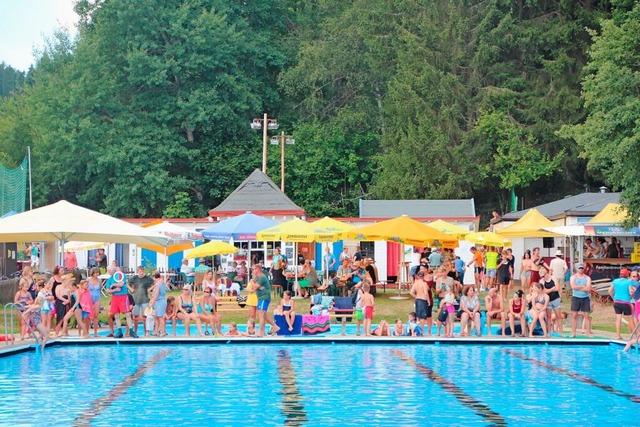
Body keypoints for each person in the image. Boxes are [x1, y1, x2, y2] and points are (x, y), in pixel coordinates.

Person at [105, 265, 137, 339]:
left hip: (123, 296)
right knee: (116, 315)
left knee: (127, 314)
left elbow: (121, 284)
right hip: (115, 297)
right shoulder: (109, 279)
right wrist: (114, 290)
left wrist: (113, 285)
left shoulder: (121, 275)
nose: (108, 272)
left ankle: (131, 331)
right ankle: (119, 332)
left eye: (109, 271)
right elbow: (107, 291)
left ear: (113, 271)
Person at [608, 268, 636, 340]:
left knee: (618, 318)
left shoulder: (615, 281)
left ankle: (618, 336)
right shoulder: (628, 282)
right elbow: (630, 291)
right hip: (626, 302)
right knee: (630, 319)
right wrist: (632, 296)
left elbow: (609, 291)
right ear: (627, 275)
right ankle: (635, 336)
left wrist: (613, 297)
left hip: (617, 302)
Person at [128, 266, 154, 336]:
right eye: (140, 271)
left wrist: (150, 289)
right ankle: (135, 331)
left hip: (144, 299)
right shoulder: (134, 278)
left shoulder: (147, 278)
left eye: (142, 271)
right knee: (136, 316)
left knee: (145, 316)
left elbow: (154, 283)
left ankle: (146, 332)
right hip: (136, 299)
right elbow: (127, 282)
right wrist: (131, 289)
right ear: (137, 272)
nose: (141, 273)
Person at [254, 264, 279, 336]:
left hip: (264, 297)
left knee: (261, 314)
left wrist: (255, 285)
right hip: (261, 297)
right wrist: (256, 285)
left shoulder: (261, 277)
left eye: (254, 269)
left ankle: (261, 332)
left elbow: (254, 287)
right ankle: (275, 327)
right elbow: (252, 287)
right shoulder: (258, 278)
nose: (253, 271)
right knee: (264, 315)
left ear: (258, 269)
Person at [569, 263, 592, 338]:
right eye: (580, 268)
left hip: (585, 298)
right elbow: (573, 287)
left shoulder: (587, 278)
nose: (581, 269)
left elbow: (588, 289)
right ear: (577, 269)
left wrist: (578, 287)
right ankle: (573, 332)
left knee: (586, 316)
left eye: (582, 268)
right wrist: (583, 286)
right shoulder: (573, 277)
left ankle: (588, 333)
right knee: (574, 315)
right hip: (576, 297)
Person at [540, 266, 562, 336]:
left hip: (555, 298)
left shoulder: (553, 278)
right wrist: (552, 288)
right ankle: (549, 332)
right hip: (548, 300)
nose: (543, 277)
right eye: (542, 276)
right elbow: (544, 291)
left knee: (558, 316)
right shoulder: (541, 281)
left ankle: (561, 332)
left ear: (546, 273)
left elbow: (557, 288)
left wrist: (548, 290)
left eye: (543, 276)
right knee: (548, 316)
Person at [410, 270, 433, 336]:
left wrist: (416, 297)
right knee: (422, 317)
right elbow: (426, 293)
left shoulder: (416, 283)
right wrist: (428, 301)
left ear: (417, 276)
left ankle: (416, 330)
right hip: (423, 300)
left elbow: (411, 292)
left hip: (417, 300)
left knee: (418, 316)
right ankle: (422, 331)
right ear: (423, 277)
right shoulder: (424, 284)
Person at [149, 271, 169, 337]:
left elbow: (156, 294)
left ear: (154, 277)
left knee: (160, 317)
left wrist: (152, 302)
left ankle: (163, 332)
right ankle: (156, 331)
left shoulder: (158, 284)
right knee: (156, 317)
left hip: (160, 301)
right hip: (159, 301)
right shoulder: (161, 282)